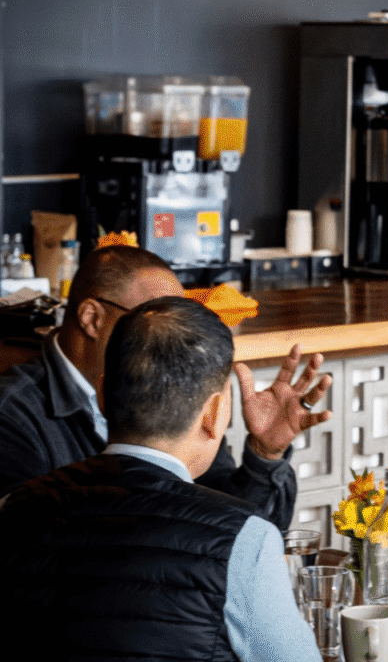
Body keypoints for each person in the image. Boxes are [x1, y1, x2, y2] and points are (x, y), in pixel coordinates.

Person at [0, 296, 321, 662]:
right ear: (215, 413)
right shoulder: (248, 541)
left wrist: (264, 456)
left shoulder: (14, 508)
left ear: (102, 397)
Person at [0, 244, 331, 530]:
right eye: (150, 317)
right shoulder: (12, 417)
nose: (174, 341)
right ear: (92, 318)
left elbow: (229, 528)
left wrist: (264, 457)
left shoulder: (175, 387)